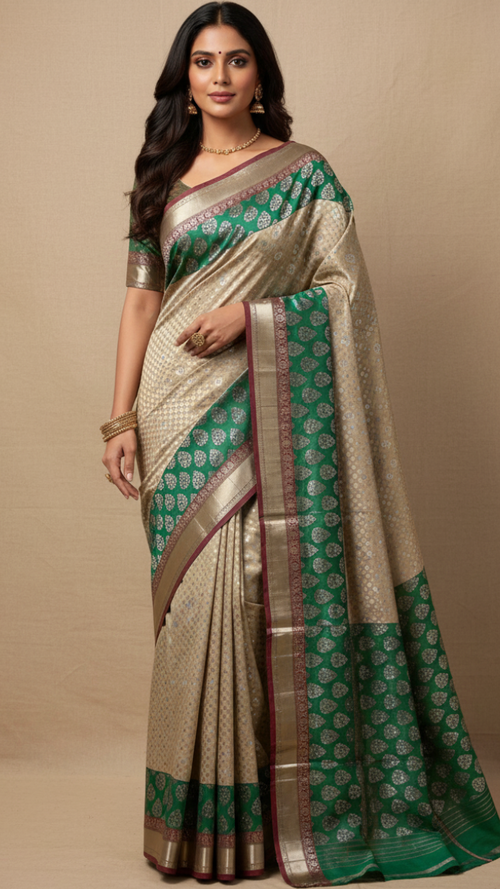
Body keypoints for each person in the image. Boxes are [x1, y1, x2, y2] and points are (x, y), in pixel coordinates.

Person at [101, 2, 500, 884]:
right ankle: (200, 822)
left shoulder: (304, 174)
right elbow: (140, 302)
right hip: (174, 407)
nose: (219, 76)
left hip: (264, 396)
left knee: (256, 589)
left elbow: (345, 293)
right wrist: (120, 418)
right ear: (185, 79)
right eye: (203, 61)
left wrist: (251, 317)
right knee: (195, 607)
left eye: (237, 60)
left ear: (261, 77)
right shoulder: (161, 173)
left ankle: (266, 818)